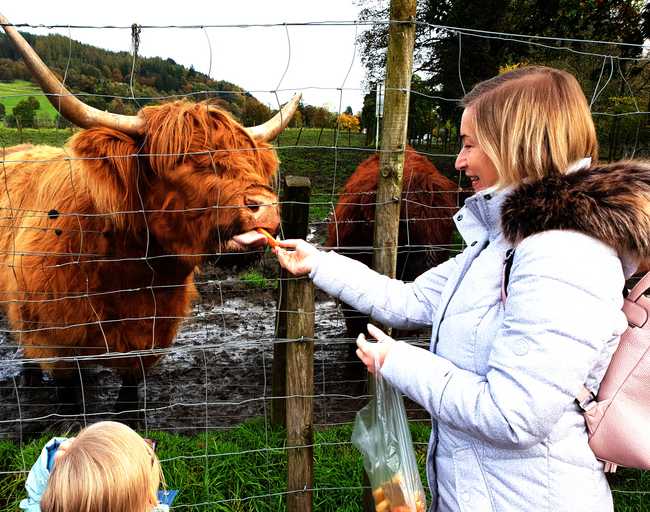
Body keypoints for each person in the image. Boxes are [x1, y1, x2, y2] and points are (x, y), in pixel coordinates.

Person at [274, 66, 650, 511]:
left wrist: (397, 361)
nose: (457, 161)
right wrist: (317, 261)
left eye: (469, 143)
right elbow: (409, 299)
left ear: (515, 142)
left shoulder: (564, 254)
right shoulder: (502, 245)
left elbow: (514, 416)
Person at [20, 421, 178, 512]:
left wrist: (58, 471)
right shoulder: (147, 505)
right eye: (148, 455)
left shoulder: (59, 502)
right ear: (149, 496)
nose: (151, 453)